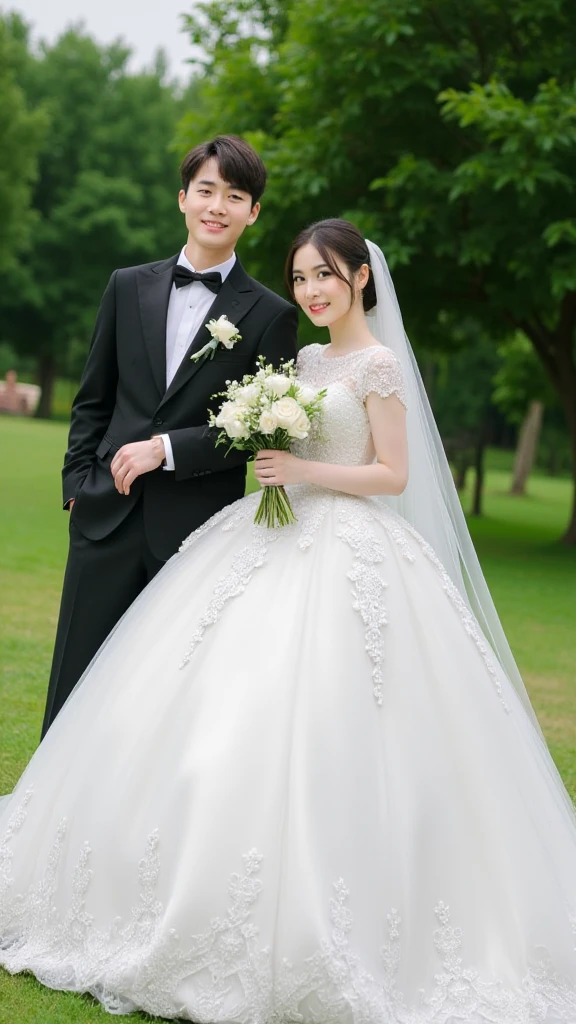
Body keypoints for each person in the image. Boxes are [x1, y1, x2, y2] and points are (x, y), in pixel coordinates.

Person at [1, 219, 576, 1022]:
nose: (310, 291)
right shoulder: (302, 360)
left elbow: (393, 473)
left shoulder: (378, 366)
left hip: (352, 549)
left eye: (326, 276)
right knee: (211, 698)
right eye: (301, 277)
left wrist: (303, 467)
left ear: (360, 281)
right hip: (273, 533)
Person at [41, 134, 298, 738]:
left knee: (167, 697)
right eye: (206, 190)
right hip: (104, 513)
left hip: (195, 535)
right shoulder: (126, 285)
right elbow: (93, 399)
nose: (218, 205)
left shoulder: (271, 315)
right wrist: (77, 484)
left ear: (252, 212)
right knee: (74, 683)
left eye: (235, 196)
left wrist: (168, 449)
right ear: (183, 197)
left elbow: (261, 431)